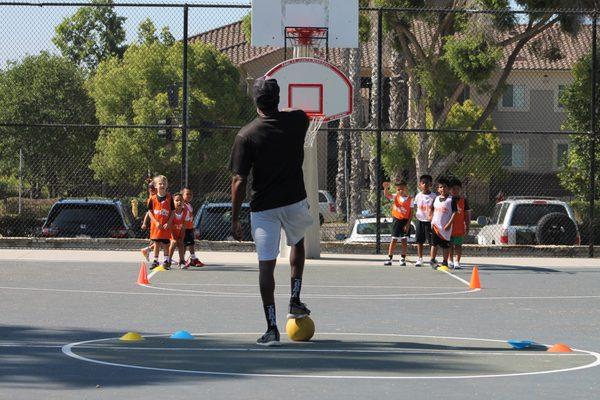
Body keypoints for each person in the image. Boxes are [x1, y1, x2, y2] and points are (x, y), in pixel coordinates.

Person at [230, 77, 312, 346]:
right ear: (278, 99)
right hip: (294, 200)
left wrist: (234, 217)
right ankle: (295, 299)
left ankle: (272, 328)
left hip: (263, 208)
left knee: (266, 265)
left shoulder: (246, 135)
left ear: (255, 102)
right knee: (297, 242)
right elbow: (299, 115)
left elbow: (239, 181)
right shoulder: (298, 121)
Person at [429, 177, 458, 269]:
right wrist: (430, 217)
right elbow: (431, 209)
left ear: (448, 188)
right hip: (435, 226)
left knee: (445, 246)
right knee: (434, 244)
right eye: (440, 187)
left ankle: (445, 261)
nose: (443, 189)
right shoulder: (436, 199)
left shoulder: (451, 199)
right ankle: (432, 260)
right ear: (438, 189)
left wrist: (449, 224)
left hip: (445, 227)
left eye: (445, 187)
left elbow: (454, 213)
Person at [147, 175, 175, 270]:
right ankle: (155, 261)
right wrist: (155, 222)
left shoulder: (170, 198)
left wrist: (169, 222)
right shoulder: (152, 198)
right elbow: (150, 212)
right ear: (155, 185)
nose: (162, 185)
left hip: (165, 226)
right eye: (160, 183)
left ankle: (166, 261)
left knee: (166, 244)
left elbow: (172, 212)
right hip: (156, 226)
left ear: (167, 185)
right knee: (157, 244)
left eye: (164, 183)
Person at [383, 179, 412, 266]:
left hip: (405, 221)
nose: (400, 191)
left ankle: (403, 258)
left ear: (406, 188)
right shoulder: (395, 197)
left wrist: (408, 224)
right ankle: (390, 258)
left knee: (404, 240)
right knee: (394, 239)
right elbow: (387, 195)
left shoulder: (410, 199)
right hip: (396, 220)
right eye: (398, 189)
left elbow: (411, 213)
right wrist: (386, 188)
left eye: (402, 189)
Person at [413, 174, 436, 267]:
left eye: (427, 183)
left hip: (430, 222)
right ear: (420, 185)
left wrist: (432, 217)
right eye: (423, 183)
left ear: (431, 184)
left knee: (431, 241)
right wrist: (417, 215)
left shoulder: (434, 196)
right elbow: (415, 207)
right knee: (419, 241)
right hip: (420, 221)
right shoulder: (418, 196)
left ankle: (432, 259)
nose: (425, 185)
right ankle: (420, 259)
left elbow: (436, 209)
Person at [448, 178, 471, 270]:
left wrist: (467, 226)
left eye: (457, 189)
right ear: (449, 189)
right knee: (449, 245)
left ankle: (457, 261)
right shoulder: (447, 200)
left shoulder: (463, 201)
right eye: (453, 189)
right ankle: (450, 260)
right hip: (449, 228)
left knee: (458, 245)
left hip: (459, 228)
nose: (455, 191)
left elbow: (467, 215)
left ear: (460, 190)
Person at [182, 188, 204, 268]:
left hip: (189, 228)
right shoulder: (182, 205)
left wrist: (193, 227)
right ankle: (183, 259)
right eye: (187, 194)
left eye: (190, 194)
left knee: (191, 243)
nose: (189, 196)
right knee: (184, 245)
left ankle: (192, 259)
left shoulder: (189, 205)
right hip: (184, 228)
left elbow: (190, 217)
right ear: (182, 195)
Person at [168, 193, 189, 269]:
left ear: (183, 202)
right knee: (174, 242)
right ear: (173, 202)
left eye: (181, 200)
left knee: (180, 242)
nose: (179, 202)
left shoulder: (186, 212)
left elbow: (184, 227)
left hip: (179, 233)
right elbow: (170, 226)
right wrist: (174, 238)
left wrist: (181, 237)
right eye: (176, 200)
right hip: (170, 233)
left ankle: (182, 261)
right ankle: (168, 261)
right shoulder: (171, 212)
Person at [140, 179, 157, 261]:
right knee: (161, 240)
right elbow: (148, 212)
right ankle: (148, 250)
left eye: (153, 188)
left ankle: (148, 251)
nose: (151, 189)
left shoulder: (156, 197)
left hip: (158, 222)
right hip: (155, 223)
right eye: (150, 188)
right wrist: (144, 223)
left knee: (157, 241)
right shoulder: (151, 199)